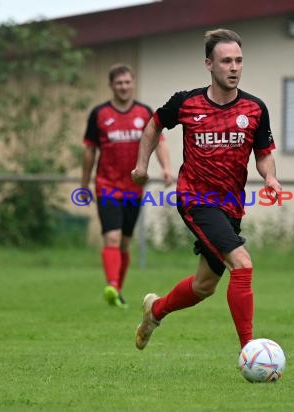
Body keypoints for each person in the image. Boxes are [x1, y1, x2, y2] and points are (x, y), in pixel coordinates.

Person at [131, 29, 282, 350]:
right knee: (242, 264)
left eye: (239, 61)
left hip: (231, 206)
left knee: (204, 286)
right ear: (209, 65)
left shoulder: (255, 109)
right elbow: (154, 124)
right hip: (196, 199)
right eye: (226, 61)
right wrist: (142, 166)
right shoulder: (186, 103)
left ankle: (155, 311)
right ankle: (250, 351)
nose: (234, 67)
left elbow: (264, 153)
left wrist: (270, 177)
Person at [82, 63, 173, 309]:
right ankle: (111, 283)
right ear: (111, 85)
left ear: (133, 83)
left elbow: (159, 141)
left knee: (123, 242)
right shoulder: (99, 114)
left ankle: (117, 291)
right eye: (118, 83)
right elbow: (89, 150)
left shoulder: (145, 113)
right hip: (107, 185)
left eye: (127, 82)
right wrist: (84, 183)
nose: (123, 86)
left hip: (134, 187)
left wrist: (166, 167)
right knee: (111, 237)